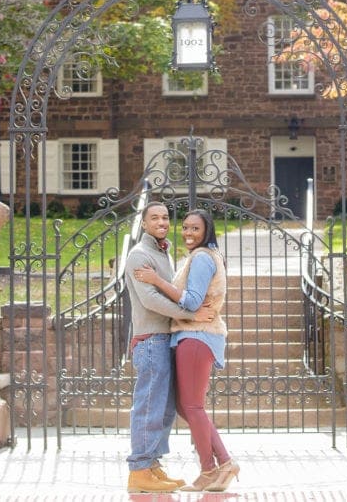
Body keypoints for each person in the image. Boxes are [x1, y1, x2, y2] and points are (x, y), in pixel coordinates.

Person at [134, 208, 239, 493]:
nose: (189, 233)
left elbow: (192, 302)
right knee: (186, 405)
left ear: (207, 231)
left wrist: (156, 280)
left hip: (196, 336)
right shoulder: (198, 256)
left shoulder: (203, 257)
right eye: (186, 228)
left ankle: (212, 468)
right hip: (191, 336)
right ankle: (221, 465)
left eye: (195, 228)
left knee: (192, 406)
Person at [124, 201, 214, 493]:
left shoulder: (161, 252)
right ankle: (139, 469)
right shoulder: (139, 255)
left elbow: (170, 290)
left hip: (165, 339)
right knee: (148, 406)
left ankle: (152, 465)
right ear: (144, 223)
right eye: (155, 218)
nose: (162, 222)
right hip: (151, 340)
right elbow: (150, 300)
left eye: (165, 217)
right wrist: (190, 314)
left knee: (162, 409)